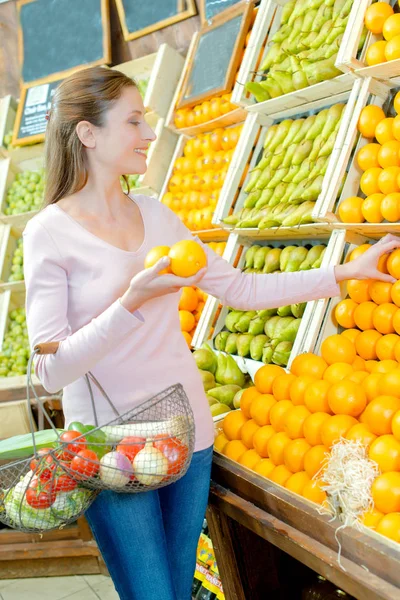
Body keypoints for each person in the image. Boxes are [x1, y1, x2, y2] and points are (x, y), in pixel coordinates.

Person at [23, 66, 400, 600]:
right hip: (110, 447)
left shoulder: (157, 215)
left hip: (188, 435)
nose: (150, 134)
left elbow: (241, 289)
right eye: (134, 122)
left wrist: (342, 272)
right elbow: (50, 367)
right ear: (88, 134)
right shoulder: (49, 234)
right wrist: (132, 300)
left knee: (178, 589)